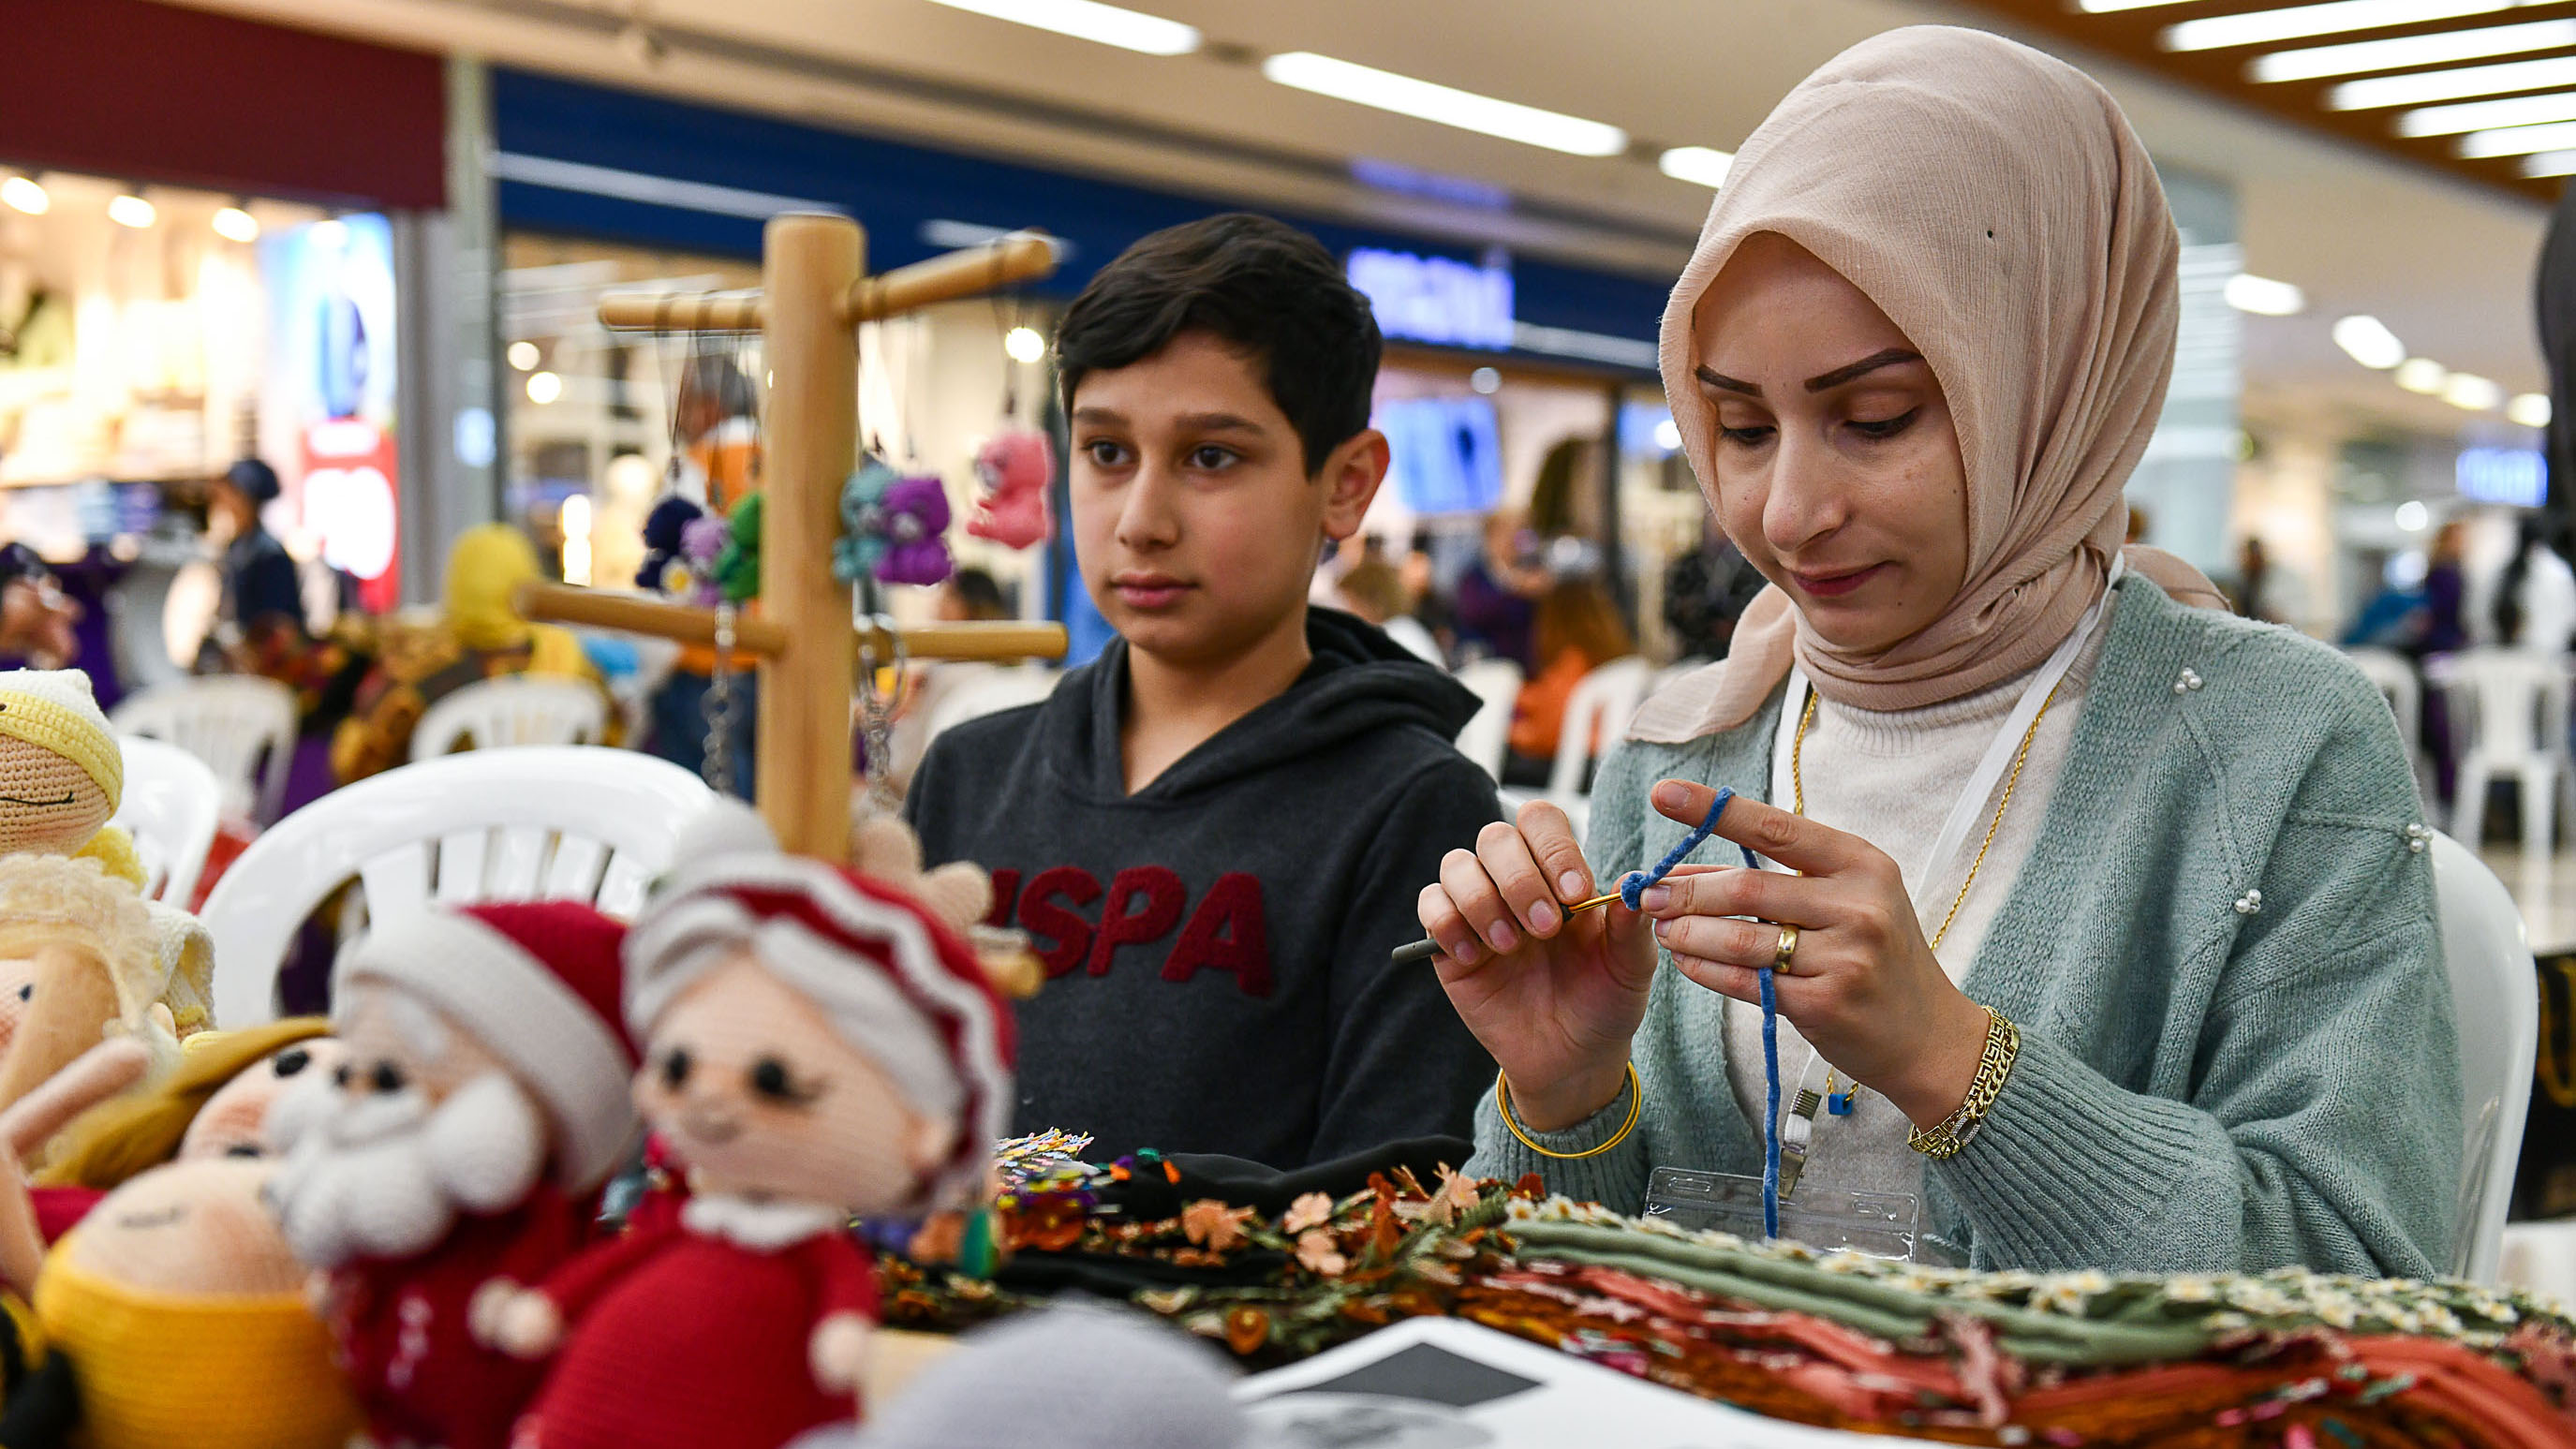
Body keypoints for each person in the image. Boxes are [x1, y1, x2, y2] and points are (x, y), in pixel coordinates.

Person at [1414, 28, 2457, 1278]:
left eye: (1874, 418)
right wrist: (1563, 1094)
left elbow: (2361, 1281)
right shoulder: (1686, 741)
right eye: (1739, 426)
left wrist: (1953, 1060)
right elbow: (1541, 1294)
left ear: (2047, 380)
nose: (1788, 510)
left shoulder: (2270, 744)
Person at [907, 214, 1501, 1167]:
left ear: (1344, 485)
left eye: (1210, 457)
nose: (1140, 521)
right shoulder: (970, 773)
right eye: (1105, 452)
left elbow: (1383, 1201)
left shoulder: (1415, 812)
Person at [330, 525, 613, 783]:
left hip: (446, 832)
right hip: (549, 832)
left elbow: (355, 768)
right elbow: (614, 741)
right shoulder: (570, 660)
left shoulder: (420, 674)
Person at [1506, 576, 1634, 769]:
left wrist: (1502, 731)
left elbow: (1547, 735)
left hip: (1577, 770)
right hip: (1604, 762)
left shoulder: (1573, 660)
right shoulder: (1615, 663)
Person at [1662, 522, 1768, 661]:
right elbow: (1672, 611)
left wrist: (1733, 622)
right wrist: (1709, 624)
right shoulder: (1688, 565)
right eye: (1713, 518)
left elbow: (1762, 608)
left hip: (1740, 656)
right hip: (1693, 657)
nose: (1718, 526)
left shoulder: (1754, 566)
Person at [2489, 515, 2576, 655]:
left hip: (2527, 650)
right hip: (2550, 649)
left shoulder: (2508, 569)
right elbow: (2572, 618)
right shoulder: (2560, 571)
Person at [1337, 556, 1444, 665]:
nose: (1349, 611)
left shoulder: (1394, 635)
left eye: (1352, 603)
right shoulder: (1404, 628)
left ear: (1370, 603)